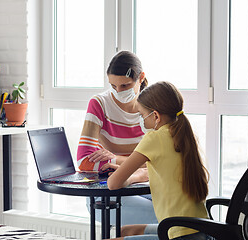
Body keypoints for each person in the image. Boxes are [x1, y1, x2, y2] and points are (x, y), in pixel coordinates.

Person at [106, 81, 213, 240]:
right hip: (200, 229)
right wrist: (135, 174)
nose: (141, 120)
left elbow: (113, 183)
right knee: (126, 232)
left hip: (180, 235)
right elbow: (153, 167)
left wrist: (130, 177)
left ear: (155, 115)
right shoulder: (182, 136)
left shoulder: (154, 138)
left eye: (142, 115)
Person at [77, 51, 158, 226]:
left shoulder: (154, 108)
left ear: (141, 78)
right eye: (114, 86)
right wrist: (143, 165)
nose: (118, 91)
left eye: (125, 85)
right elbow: (84, 161)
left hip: (146, 183)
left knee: (182, 206)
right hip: (110, 188)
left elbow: (165, 161)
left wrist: (115, 160)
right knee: (166, 216)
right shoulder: (100, 104)